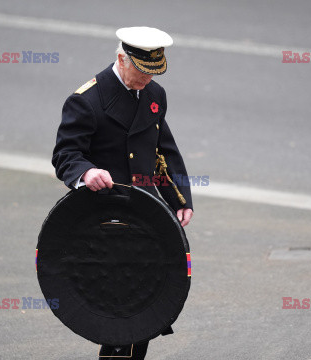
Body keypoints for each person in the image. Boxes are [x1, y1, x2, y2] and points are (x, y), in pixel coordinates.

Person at [52, 26, 194, 359]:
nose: (147, 80)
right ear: (121, 58)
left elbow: (162, 149)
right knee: (123, 308)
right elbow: (65, 155)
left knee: (146, 305)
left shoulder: (154, 95)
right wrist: (87, 172)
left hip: (146, 217)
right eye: (142, 71)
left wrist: (180, 198)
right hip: (105, 224)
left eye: (153, 72)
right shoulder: (86, 100)